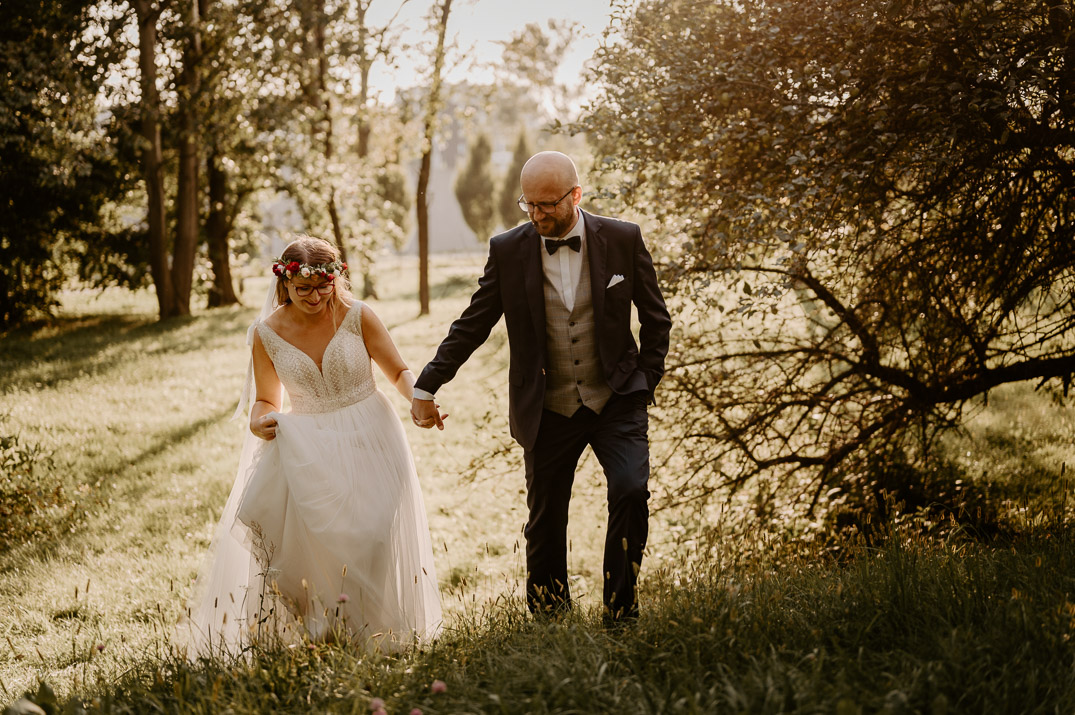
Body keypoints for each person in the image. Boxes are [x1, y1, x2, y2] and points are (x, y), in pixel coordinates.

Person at [411, 151, 671, 623]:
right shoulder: (508, 250)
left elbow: (656, 318)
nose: (536, 214)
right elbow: (473, 323)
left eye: (547, 204)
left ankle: (620, 612)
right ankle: (551, 618)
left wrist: (644, 382)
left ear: (576, 195)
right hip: (548, 405)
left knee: (631, 491)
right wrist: (427, 385)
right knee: (546, 517)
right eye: (528, 204)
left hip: (616, 397)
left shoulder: (622, 238)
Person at [182, 236, 442, 657]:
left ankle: (379, 634)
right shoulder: (266, 334)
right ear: (284, 283)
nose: (316, 297)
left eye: (324, 286)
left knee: (373, 536)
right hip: (309, 447)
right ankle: (329, 633)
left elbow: (398, 371)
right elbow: (266, 400)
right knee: (323, 546)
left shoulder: (358, 316)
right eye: (304, 288)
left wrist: (418, 399)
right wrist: (258, 421)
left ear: (335, 279)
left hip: (371, 435)